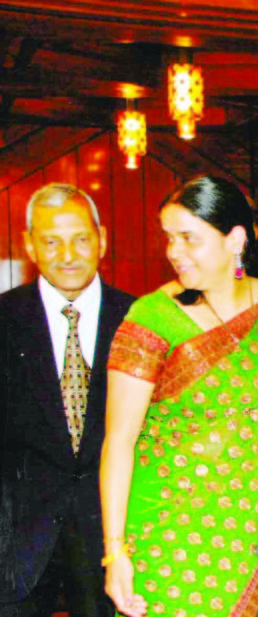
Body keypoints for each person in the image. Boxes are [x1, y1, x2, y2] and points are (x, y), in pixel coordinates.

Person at [99, 175, 258, 617]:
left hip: (256, 537)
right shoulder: (153, 317)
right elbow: (119, 441)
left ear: (235, 240)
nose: (174, 252)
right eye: (169, 239)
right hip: (167, 535)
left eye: (189, 238)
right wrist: (115, 552)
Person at [0, 184, 134, 617]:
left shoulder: (140, 321)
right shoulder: (4, 320)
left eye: (80, 238)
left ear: (103, 239)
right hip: (17, 541)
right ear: (28, 246)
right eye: (51, 241)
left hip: (110, 542)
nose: (68, 254)